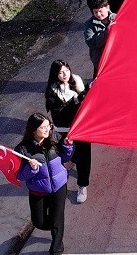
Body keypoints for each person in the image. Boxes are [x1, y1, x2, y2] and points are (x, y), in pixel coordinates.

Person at [16, 112, 74, 255]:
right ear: (33, 130)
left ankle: (56, 248)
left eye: (49, 126)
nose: (48, 130)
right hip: (38, 191)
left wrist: (67, 146)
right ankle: (57, 226)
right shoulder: (23, 149)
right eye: (43, 127)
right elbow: (20, 176)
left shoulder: (54, 139)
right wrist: (32, 168)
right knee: (39, 223)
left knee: (56, 219)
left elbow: (66, 158)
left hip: (59, 187)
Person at [44, 60, 92, 204]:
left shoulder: (77, 82)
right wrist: (79, 99)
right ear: (55, 74)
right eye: (60, 72)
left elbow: (87, 102)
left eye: (66, 70)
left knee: (84, 157)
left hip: (82, 128)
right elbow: (60, 114)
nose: (64, 74)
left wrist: (87, 90)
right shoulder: (52, 92)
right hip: (65, 131)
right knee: (71, 155)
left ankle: (82, 185)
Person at [85, 0, 115, 77]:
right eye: (95, 12)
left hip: (117, 57)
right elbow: (91, 43)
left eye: (100, 11)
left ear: (107, 8)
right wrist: (106, 32)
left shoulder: (117, 18)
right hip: (102, 61)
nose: (98, 14)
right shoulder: (89, 24)